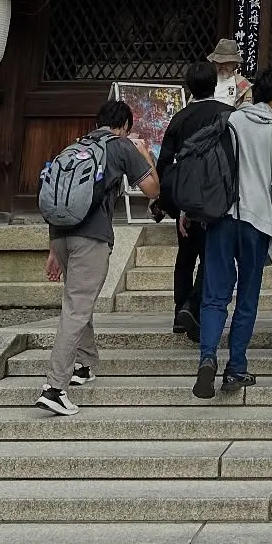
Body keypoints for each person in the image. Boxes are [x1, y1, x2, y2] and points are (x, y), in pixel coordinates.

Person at [40, 98, 159, 418]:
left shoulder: (73, 148)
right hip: (91, 239)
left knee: (79, 299)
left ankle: (85, 363)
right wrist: (144, 154)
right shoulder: (120, 147)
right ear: (125, 126)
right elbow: (152, 190)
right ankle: (54, 387)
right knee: (77, 308)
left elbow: (56, 196)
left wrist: (53, 248)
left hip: (62, 236)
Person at [194, 65, 272, 400]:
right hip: (257, 222)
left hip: (222, 217)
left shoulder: (231, 121)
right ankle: (236, 366)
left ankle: (207, 356)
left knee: (214, 295)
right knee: (247, 298)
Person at [156, 60, 233, 341]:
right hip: (218, 198)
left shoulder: (180, 119)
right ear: (215, 84)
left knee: (186, 255)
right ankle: (193, 306)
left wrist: (172, 203)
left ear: (188, 86)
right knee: (212, 256)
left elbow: (165, 163)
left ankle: (180, 311)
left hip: (187, 199)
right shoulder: (228, 115)